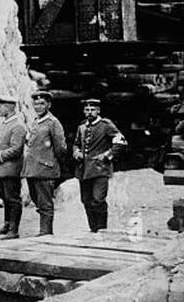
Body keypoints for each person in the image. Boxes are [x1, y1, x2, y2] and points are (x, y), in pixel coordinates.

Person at [73, 97, 127, 232]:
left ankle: (102, 229)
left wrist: (107, 156)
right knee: (86, 200)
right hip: (84, 169)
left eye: (92, 110)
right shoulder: (82, 126)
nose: (89, 112)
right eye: (87, 110)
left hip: (100, 169)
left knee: (98, 199)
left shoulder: (106, 125)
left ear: (98, 110)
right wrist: (76, 152)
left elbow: (121, 142)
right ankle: (93, 229)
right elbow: (76, 144)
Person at [24, 90, 68, 236]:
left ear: (48, 105)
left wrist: (56, 164)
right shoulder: (35, 121)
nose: (38, 106)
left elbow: (61, 148)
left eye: (42, 103)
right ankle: (44, 229)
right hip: (32, 169)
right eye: (36, 103)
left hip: (45, 169)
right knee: (37, 200)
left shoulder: (53, 123)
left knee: (45, 203)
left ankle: (46, 232)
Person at [0, 93, 27, 238]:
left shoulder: (18, 125)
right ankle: (7, 224)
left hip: (11, 168)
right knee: (4, 196)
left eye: (0, 106)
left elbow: (17, 149)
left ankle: (14, 229)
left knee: (13, 198)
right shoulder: (6, 123)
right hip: (3, 168)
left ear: (8, 108)